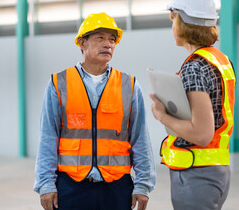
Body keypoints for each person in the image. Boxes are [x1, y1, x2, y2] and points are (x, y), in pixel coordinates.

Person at [34, 12, 156, 210]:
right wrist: (45, 184)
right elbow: (48, 137)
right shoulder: (59, 83)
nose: (108, 44)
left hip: (117, 188)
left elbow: (140, 138)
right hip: (71, 186)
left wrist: (143, 185)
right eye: (100, 38)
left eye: (112, 39)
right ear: (82, 43)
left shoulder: (129, 85)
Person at [149, 0, 236, 210]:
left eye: (173, 19)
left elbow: (201, 133)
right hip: (216, 171)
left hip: (197, 176)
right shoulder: (220, 60)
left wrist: (162, 115)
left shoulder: (194, 67)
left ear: (182, 23)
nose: (172, 26)